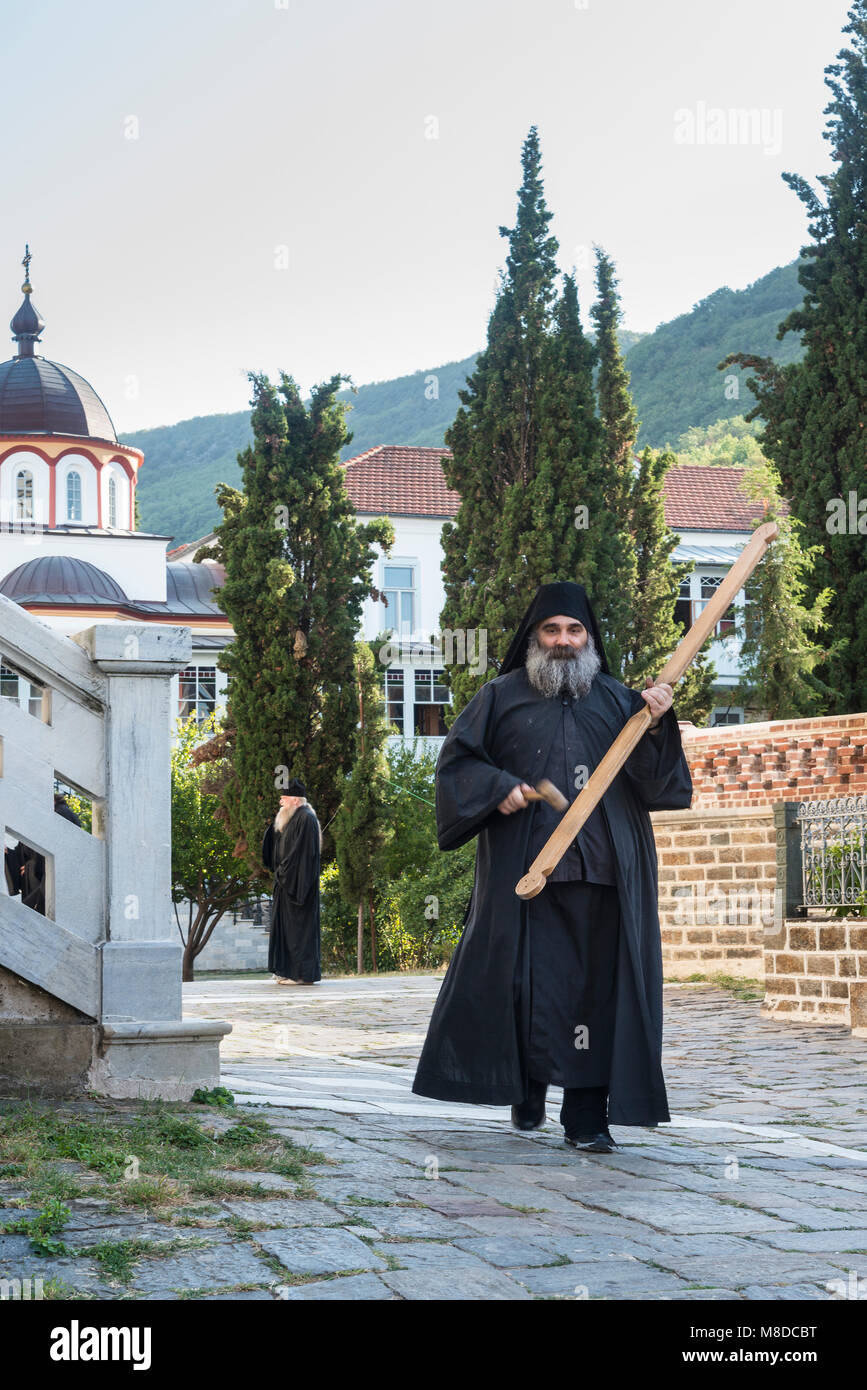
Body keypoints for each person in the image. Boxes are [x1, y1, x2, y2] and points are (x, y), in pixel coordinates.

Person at [411, 581, 693, 1153]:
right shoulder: (499, 698)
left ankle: (586, 1117)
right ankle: (527, 1086)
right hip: (526, 874)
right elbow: (457, 765)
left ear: (589, 638)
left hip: (604, 875)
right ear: (534, 637)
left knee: (594, 995)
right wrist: (499, 788)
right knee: (523, 987)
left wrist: (659, 725)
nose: (563, 641)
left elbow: (657, 784)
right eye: (552, 630)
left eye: (574, 630)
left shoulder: (621, 703)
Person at [262, 777, 322, 986]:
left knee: (299, 932)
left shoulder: (306, 819)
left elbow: (302, 856)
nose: (281, 802)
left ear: (296, 800)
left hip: (298, 887)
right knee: (286, 930)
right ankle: (286, 970)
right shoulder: (293, 817)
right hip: (286, 885)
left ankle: (300, 974)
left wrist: (284, 874)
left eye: (284, 798)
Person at [3, 793, 83, 916]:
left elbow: (61, 850)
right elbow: (22, 852)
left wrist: (34, 865)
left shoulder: (62, 813)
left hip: (47, 880)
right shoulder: (37, 820)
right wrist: (7, 852)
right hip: (34, 881)